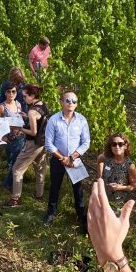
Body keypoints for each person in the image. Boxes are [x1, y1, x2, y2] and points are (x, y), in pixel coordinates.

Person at [44, 91, 90, 232]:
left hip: (75, 160)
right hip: (58, 160)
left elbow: (86, 142)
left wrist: (72, 157)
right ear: (61, 102)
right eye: (68, 100)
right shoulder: (53, 120)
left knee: (78, 190)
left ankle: (81, 216)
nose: (71, 103)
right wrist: (62, 158)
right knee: (55, 187)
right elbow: (48, 143)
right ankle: (51, 213)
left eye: (74, 101)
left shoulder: (82, 120)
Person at [5, 84, 48, 207]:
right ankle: (39, 195)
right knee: (40, 170)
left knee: (17, 170)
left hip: (32, 144)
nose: (23, 99)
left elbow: (33, 132)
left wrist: (20, 128)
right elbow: (40, 122)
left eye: (25, 96)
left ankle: (15, 199)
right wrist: (27, 118)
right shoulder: (42, 105)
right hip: (42, 143)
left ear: (32, 96)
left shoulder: (32, 111)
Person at [0, 83, 26, 193]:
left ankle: (9, 184)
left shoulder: (18, 104)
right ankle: (8, 184)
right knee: (13, 163)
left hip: (20, 137)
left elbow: (20, 119)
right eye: (9, 91)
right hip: (10, 139)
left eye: (13, 91)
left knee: (17, 162)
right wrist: (2, 136)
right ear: (5, 93)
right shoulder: (2, 107)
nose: (11, 94)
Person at [96, 132, 136, 207]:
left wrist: (119, 187)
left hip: (118, 204)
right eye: (114, 144)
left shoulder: (130, 166)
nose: (117, 146)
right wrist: (100, 178)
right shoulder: (106, 158)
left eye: (120, 144)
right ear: (111, 146)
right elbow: (99, 159)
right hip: (102, 199)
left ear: (125, 146)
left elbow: (133, 186)